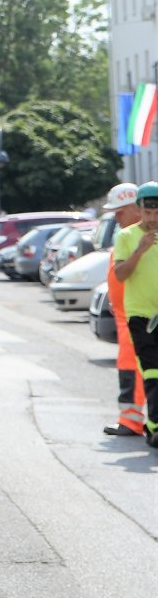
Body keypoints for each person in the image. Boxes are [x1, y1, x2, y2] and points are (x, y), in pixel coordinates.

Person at [111, 182, 158, 447]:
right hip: (140, 315)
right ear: (140, 210)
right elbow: (120, 274)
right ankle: (153, 427)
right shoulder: (127, 237)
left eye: (157, 214)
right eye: (148, 213)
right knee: (152, 371)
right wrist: (140, 250)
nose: (152, 219)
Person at [100, 183, 147, 438]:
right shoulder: (129, 235)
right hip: (125, 313)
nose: (116, 219)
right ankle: (132, 419)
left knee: (134, 366)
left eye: (120, 213)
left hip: (136, 314)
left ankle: (131, 420)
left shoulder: (136, 236)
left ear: (134, 209)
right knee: (134, 366)